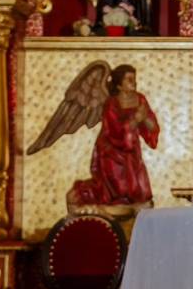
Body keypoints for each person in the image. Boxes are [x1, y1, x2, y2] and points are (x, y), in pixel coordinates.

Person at [68, 65, 159, 209]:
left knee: (138, 189)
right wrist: (135, 119)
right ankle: (84, 196)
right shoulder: (112, 104)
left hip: (131, 151)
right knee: (117, 189)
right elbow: (115, 131)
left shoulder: (140, 99)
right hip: (111, 151)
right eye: (129, 79)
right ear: (119, 85)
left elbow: (151, 125)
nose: (134, 82)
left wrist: (146, 120)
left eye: (134, 79)